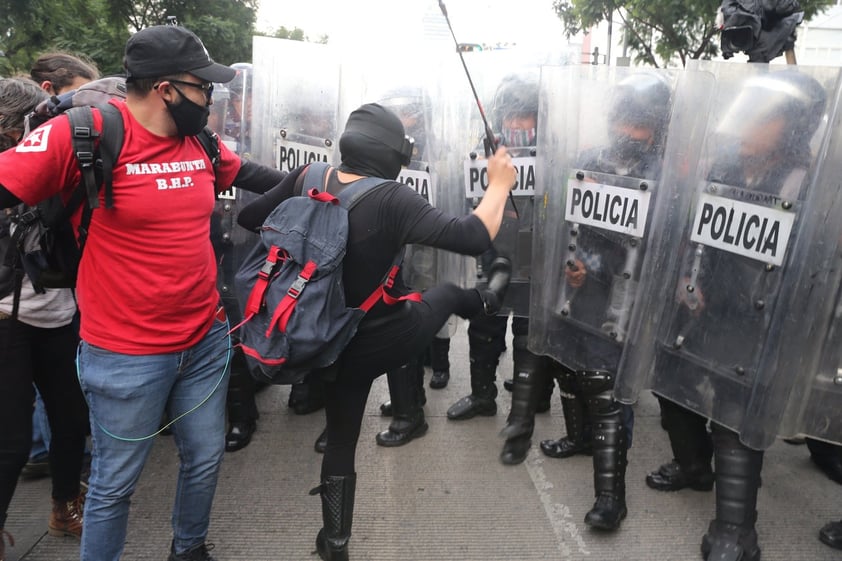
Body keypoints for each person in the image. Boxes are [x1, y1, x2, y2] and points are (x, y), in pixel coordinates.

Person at [0, 25, 286, 561]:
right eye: (204, 88)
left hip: (204, 340)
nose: (211, 99)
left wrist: (331, 181)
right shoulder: (84, 133)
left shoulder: (197, 140)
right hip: (125, 355)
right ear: (167, 89)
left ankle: (189, 549)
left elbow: (248, 172)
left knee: (204, 459)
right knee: (114, 487)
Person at [237, 102, 517, 561]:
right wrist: (499, 185)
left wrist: (297, 203)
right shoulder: (392, 197)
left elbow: (253, 220)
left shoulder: (310, 175)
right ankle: (486, 301)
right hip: (377, 340)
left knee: (342, 437)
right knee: (445, 292)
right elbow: (471, 236)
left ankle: (335, 543)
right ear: (394, 156)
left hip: (316, 338)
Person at [643, 69, 827, 561]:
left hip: (760, 321)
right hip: (705, 306)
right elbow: (691, 232)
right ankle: (692, 466)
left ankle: (736, 531)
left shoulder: (808, 183)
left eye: (761, 120)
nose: (745, 126)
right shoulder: (722, 167)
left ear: (793, 127)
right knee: (669, 385)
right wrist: (686, 279)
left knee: (733, 412)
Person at [531, 71, 672, 530]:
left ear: (657, 128)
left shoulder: (665, 177)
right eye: (623, 120)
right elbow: (567, 223)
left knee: (611, 388)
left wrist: (604, 265)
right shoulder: (590, 161)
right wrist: (578, 261)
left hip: (626, 301)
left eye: (640, 125)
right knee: (571, 367)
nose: (628, 133)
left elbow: (659, 246)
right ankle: (580, 437)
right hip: (580, 295)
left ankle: (611, 496)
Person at [0, 77, 91, 561]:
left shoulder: (66, 165)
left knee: (71, 419)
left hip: (59, 313)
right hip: (7, 317)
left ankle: (64, 507)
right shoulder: (11, 172)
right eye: (40, 120)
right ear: (17, 128)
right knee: (11, 440)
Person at [447, 72, 554, 468]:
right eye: (510, 115)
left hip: (535, 260)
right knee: (484, 328)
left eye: (525, 116)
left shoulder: (555, 154)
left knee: (528, 339)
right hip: (492, 255)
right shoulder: (484, 153)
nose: (516, 124)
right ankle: (482, 396)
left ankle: (520, 424)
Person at [23, 50, 100, 482]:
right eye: (76, 99)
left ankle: (52, 459)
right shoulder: (45, 146)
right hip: (29, 294)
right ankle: (47, 452)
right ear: (49, 93)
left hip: (56, 294)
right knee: (50, 391)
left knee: (54, 392)